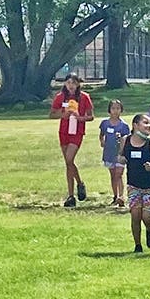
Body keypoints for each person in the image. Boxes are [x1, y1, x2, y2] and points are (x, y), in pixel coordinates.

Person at [123, 116, 150, 252]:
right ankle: (137, 246)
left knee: (146, 217)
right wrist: (121, 158)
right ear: (135, 125)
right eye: (145, 123)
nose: (148, 126)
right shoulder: (125, 140)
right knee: (135, 215)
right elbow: (120, 155)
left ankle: (149, 228)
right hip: (133, 184)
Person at [51, 74, 94, 206]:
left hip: (77, 132)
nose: (71, 85)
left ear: (78, 84)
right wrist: (62, 115)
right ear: (65, 84)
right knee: (68, 163)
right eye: (68, 82)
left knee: (69, 159)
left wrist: (81, 118)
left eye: (74, 83)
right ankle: (71, 195)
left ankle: (79, 184)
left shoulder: (84, 97)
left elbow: (91, 116)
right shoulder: (60, 97)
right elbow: (51, 114)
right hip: (64, 132)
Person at [99, 100, 133, 208]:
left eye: (118, 108)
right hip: (109, 153)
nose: (115, 111)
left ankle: (121, 196)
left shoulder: (124, 126)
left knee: (119, 174)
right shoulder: (105, 123)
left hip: (120, 153)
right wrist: (102, 141)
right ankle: (115, 195)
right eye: (113, 108)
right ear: (109, 110)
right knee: (113, 175)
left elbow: (127, 139)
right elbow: (101, 134)